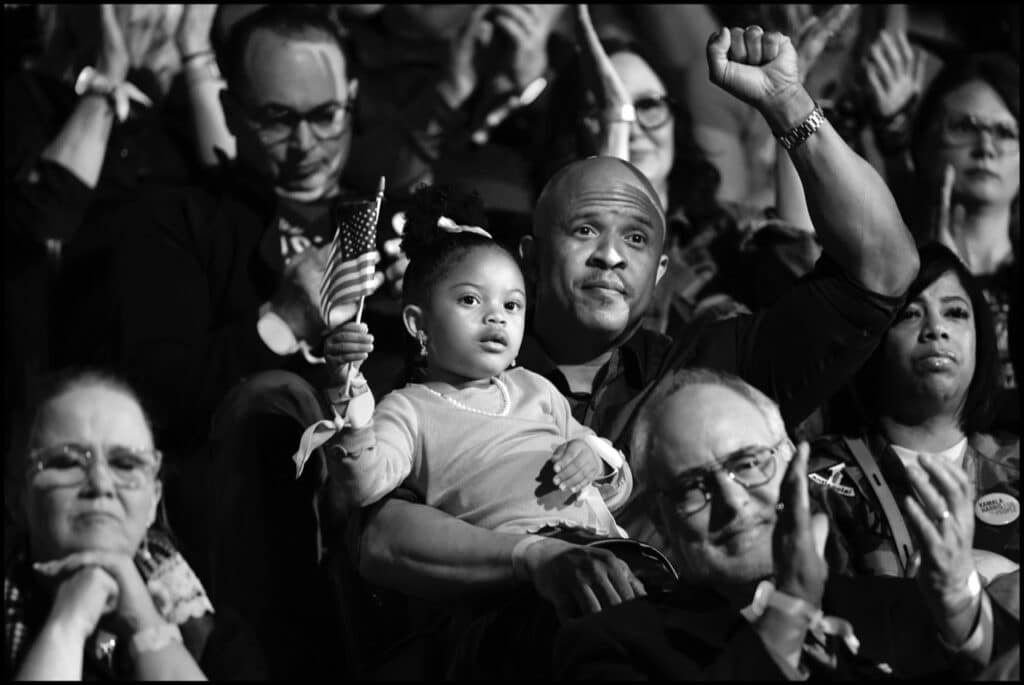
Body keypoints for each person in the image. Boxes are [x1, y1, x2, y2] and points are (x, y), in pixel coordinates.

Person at [346, 21, 920, 677]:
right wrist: (535, 560)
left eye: (637, 240)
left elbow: (885, 267)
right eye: (585, 229)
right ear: (531, 257)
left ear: (662, 268)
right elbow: (379, 541)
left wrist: (789, 103)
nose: (611, 256)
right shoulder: (448, 372)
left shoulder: (713, 370)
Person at [84, 6, 378, 678]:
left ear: (353, 102)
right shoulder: (176, 219)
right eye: (277, 118)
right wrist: (280, 321)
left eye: (325, 115)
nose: (304, 143)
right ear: (232, 107)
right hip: (244, 561)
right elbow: (154, 398)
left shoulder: (384, 218)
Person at [555, 368, 1019, 679]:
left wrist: (961, 608)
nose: (733, 502)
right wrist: (787, 613)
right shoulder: (611, 647)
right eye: (694, 486)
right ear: (662, 519)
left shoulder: (899, 610)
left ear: (797, 465)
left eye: (750, 463)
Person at [318, 183, 636, 542]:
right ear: (418, 324)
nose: (496, 317)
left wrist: (594, 459)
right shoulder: (407, 410)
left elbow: (618, 488)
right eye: (470, 300)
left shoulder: (537, 390)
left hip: (609, 548)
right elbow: (363, 486)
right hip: (517, 569)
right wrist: (353, 409)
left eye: (512, 305)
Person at [3, 4, 233, 441]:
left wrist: (196, 52)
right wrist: (109, 74)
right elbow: (47, 215)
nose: (157, 13)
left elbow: (243, 194)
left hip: (193, 373)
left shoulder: (197, 114)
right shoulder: (33, 99)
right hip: (78, 364)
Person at [3, 369, 265, 680]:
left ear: (154, 500)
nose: (101, 484)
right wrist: (67, 623)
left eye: (126, 464)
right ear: (18, 498)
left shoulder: (217, 644)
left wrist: (145, 624)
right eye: (66, 462)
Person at [810, 243, 1019, 582]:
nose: (936, 329)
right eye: (909, 314)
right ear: (874, 341)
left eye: (955, 313)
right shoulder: (825, 481)